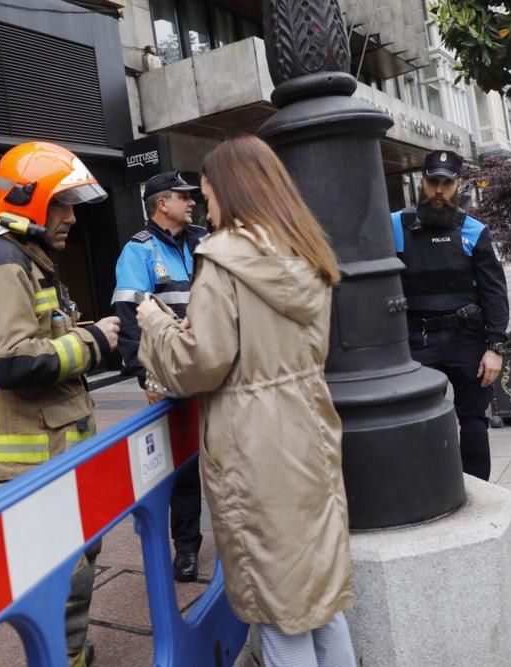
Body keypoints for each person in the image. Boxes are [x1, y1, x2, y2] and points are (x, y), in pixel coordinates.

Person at [136, 135, 356, 667]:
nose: (206, 209)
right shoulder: (306, 251)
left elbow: (199, 363)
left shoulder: (224, 260)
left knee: (277, 607)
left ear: (231, 193)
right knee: (318, 598)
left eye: (208, 196)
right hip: (310, 429)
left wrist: (156, 325)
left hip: (255, 446)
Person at [0, 141, 120, 667]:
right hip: (33, 458)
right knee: (62, 572)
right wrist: (95, 342)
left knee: (71, 565)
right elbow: (12, 362)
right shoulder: (4, 261)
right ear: (28, 200)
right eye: (62, 204)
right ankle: (61, 658)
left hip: (48, 450)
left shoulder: (22, 257)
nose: (72, 216)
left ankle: (67, 651)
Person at [111, 171, 207, 582]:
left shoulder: (205, 239)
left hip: (215, 365)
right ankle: (186, 548)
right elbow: (129, 319)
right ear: (161, 203)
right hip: (173, 374)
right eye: (184, 197)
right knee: (183, 465)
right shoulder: (138, 251)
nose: (192, 202)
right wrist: (147, 376)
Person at [391, 149, 509, 481]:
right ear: (422, 183)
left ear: (458, 185)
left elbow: (494, 292)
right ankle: (432, 489)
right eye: (433, 182)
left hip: (467, 340)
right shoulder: (395, 226)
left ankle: (477, 493)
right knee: (422, 421)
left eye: (447, 183)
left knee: (473, 421)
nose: (439, 190)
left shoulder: (474, 230)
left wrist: (495, 347)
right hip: (417, 340)